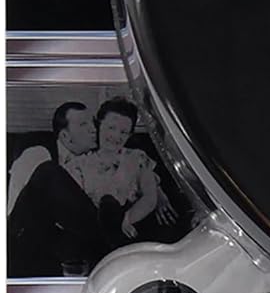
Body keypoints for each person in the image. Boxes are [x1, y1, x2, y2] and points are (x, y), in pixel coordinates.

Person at [7, 102, 100, 275]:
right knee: (48, 172)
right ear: (65, 136)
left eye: (93, 123)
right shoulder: (38, 153)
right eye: (84, 124)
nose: (94, 129)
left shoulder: (91, 161)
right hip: (19, 236)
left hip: (59, 243)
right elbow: (20, 208)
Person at [70, 97, 163, 246]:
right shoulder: (79, 164)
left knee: (111, 205)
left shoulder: (137, 157)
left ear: (129, 135)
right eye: (111, 128)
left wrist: (128, 218)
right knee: (107, 204)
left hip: (128, 229)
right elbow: (76, 208)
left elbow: (150, 197)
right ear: (99, 125)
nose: (116, 136)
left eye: (123, 132)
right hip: (93, 231)